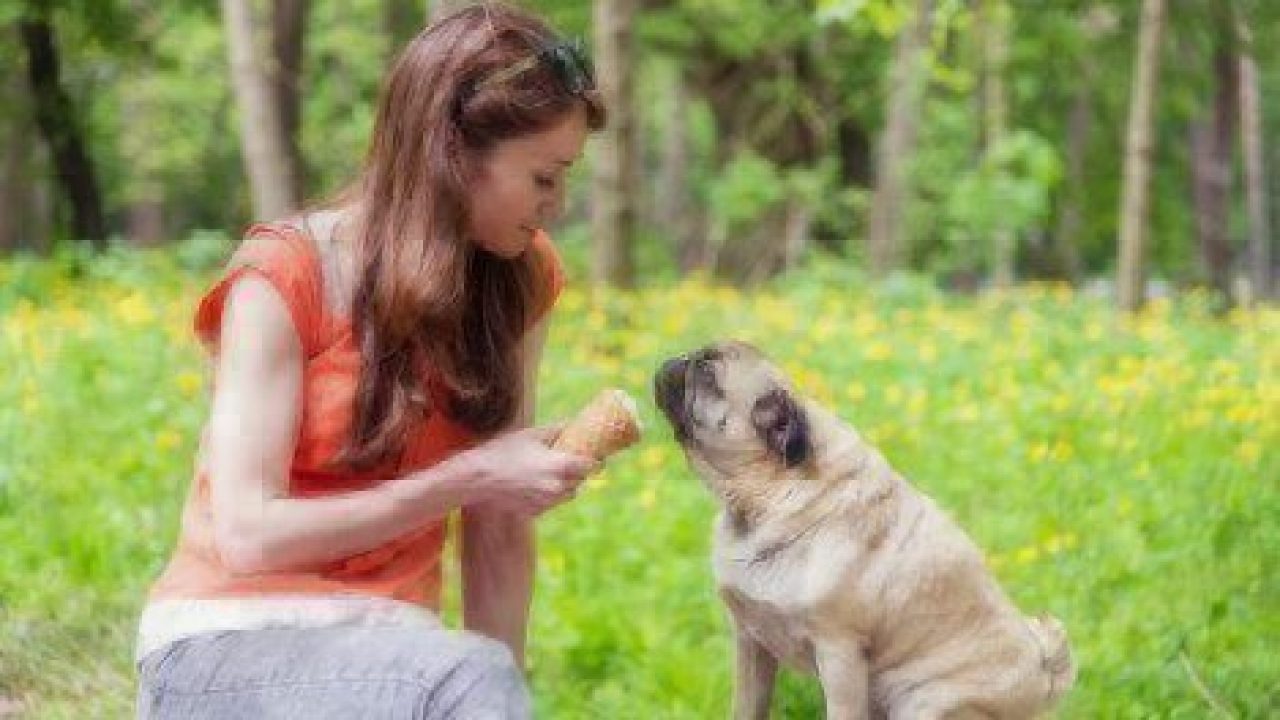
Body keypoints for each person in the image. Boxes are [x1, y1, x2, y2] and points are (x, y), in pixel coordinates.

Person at [135, 3, 606, 717]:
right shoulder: (284, 274)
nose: (557, 202)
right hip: (225, 644)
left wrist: (495, 687)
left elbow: (499, 531)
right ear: (452, 155)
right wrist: (469, 476)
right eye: (543, 177)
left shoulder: (520, 277)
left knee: (473, 675)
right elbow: (247, 535)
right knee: (467, 677)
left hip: (401, 660)